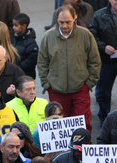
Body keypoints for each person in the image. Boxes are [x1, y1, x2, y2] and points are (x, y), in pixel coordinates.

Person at [37, 5, 101, 133]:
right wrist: (47, 84)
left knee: (83, 125)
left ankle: (82, 150)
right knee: (59, 127)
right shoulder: (48, 37)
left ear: (75, 18)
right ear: (56, 20)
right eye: (61, 22)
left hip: (80, 90)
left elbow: (95, 61)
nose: (65, 26)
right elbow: (42, 62)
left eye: (68, 22)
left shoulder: (85, 35)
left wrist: (89, 83)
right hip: (56, 90)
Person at [89, 2, 117, 124]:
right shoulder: (99, 15)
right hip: (107, 60)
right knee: (103, 92)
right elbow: (92, 36)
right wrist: (103, 47)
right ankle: (105, 119)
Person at [11, 13, 38, 79]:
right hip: (14, 73)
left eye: (16, 25)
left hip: (25, 75)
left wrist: (17, 68)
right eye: (13, 25)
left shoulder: (31, 42)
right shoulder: (13, 37)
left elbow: (31, 60)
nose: (13, 27)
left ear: (24, 26)